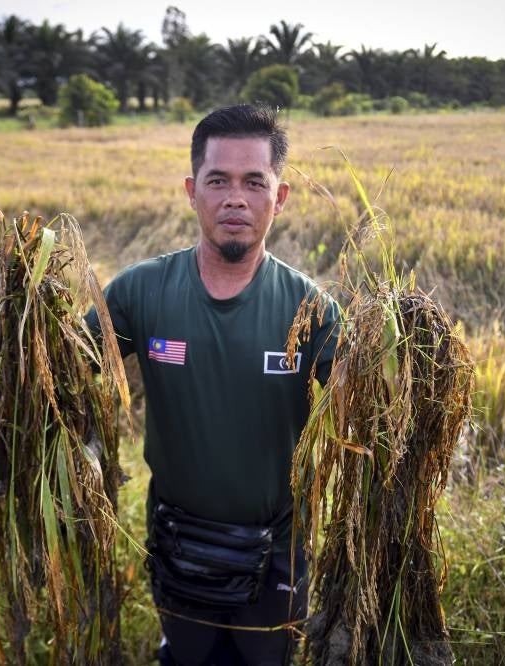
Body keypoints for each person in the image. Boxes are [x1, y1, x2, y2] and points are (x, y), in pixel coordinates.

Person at [85, 104, 339, 665]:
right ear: (191, 190)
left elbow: (372, 410)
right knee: (188, 656)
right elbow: (59, 370)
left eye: (255, 182)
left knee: (265, 660)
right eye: (217, 180)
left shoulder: (311, 309)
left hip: (275, 547)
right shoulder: (139, 293)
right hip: (178, 541)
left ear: (281, 197)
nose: (235, 198)